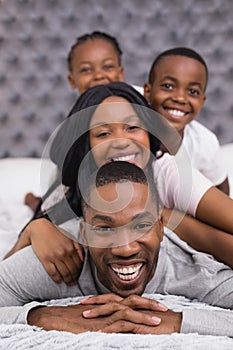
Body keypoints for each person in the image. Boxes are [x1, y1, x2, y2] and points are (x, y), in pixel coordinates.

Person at [4, 82, 233, 287]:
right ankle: (32, 199)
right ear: (86, 145)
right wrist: (34, 230)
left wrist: (168, 217)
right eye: (103, 133)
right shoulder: (71, 191)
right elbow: (7, 277)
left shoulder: (167, 173)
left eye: (133, 128)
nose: (122, 142)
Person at [1, 161, 233, 338]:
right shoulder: (61, 258)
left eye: (141, 226)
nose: (125, 248)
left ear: (161, 228)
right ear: (84, 233)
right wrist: (43, 316)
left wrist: (178, 321)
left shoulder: (194, 269)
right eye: (104, 228)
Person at [24, 30, 125, 213]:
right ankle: (34, 201)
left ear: (121, 73)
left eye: (108, 67)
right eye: (86, 69)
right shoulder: (77, 118)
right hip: (75, 180)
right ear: (72, 80)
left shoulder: (135, 105)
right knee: (48, 209)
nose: (99, 75)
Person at [144, 47, 229, 194]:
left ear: (202, 101)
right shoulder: (130, 129)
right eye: (168, 86)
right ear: (148, 92)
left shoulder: (204, 142)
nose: (180, 98)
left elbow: (222, 192)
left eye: (192, 92)